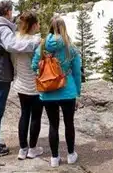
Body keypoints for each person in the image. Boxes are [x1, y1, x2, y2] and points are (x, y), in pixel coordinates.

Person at [0, 0, 41, 158]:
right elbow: (13, 46)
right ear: (7, 12)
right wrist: (35, 42)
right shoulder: (4, 29)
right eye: (11, 11)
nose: (12, 14)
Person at [32, 16, 82, 167]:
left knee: (53, 125)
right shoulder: (70, 48)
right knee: (69, 123)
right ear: (64, 28)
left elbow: (34, 66)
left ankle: (54, 158)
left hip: (48, 92)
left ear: (50, 27)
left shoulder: (42, 46)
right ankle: (71, 154)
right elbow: (77, 73)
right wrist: (78, 92)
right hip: (67, 91)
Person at [12, 11, 44, 160]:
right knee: (36, 116)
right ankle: (32, 149)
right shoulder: (37, 41)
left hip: (21, 83)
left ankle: (22, 149)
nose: (39, 26)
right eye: (38, 23)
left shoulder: (16, 40)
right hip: (36, 84)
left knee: (24, 114)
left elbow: (13, 60)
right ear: (34, 25)